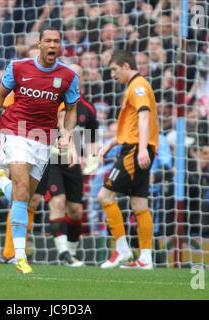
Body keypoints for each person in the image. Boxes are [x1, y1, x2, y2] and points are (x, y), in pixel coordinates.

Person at [0, 26, 80, 274]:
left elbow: (70, 111)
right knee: (23, 191)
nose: (52, 45)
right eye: (47, 41)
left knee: (26, 197)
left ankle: (2, 184)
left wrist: (67, 135)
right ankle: (19, 256)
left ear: (60, 46)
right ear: (39, 44)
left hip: (42, 139)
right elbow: (0, 93)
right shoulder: (18, 67)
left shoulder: (68, 76)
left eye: (56, 41)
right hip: (15, 130)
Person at [97, 50, 159, 270]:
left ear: (125, 66)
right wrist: (111, 143)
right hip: (135, 147)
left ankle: (122, 250)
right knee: (139, 203)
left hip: (135, 150)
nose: (112, 75)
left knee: (104, 196)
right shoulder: (134, 87)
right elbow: (132, 125)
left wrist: (142, 148)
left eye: (114, 69)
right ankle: (145, 258)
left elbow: (144, 115)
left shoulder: (138, 86)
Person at [47, 63, 99, 267]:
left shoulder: (88, 109)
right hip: (53, 158)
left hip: (74, 163)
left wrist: (94, 157)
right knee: (58, 202)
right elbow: (62, 125)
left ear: (82, 79)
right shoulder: (59, 102)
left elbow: (92, 136)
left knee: (76, 210)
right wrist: (71, 149)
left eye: (78, 74)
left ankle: (71, 254)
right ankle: (63, 254)